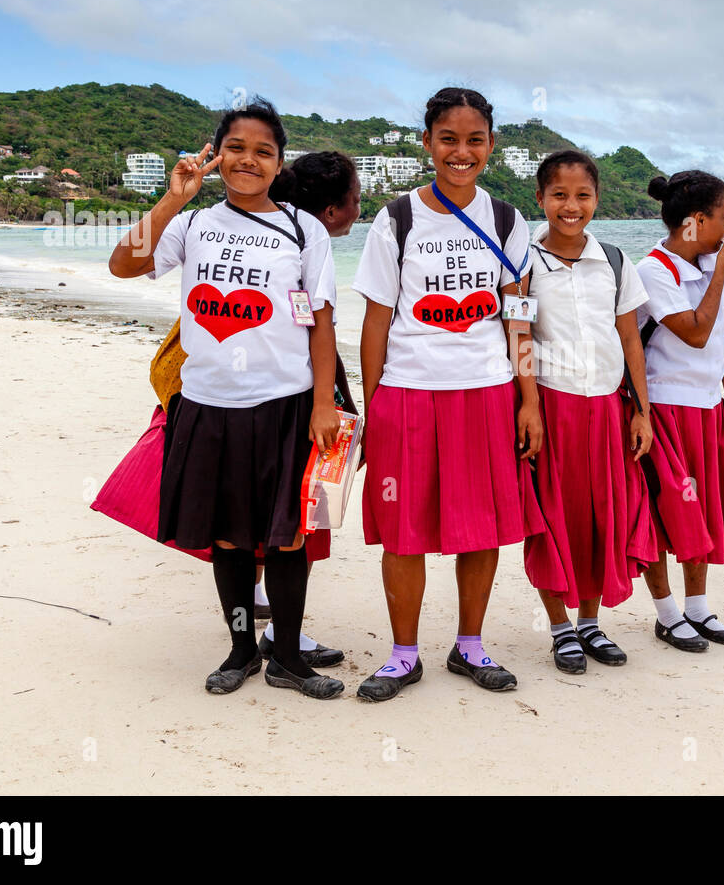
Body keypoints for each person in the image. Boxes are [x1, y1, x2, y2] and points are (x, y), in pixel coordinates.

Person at [107, 98, 345, 699]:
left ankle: (288, 658)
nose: (248, 160)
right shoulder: (191, 224)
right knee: (229, 537)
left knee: (289, 535)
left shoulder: (303, 228)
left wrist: (323, 404)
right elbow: (122, 265)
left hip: (286, 404)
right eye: (236, 148)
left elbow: (321, 320)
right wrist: (173, 198)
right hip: (208, 404)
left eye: (263, 151)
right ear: (216, 156)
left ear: (279, 162)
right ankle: (241, 650)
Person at [352, 87, 541, 701]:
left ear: (492, 145)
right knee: (404, 528)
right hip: (408, 392)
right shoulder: (397, 218)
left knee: (480, 527)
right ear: (428, 142)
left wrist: (529, 397)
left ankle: (470, 646)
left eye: (475, 140)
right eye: (449, 140)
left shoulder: (510, 221)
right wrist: (373, 402)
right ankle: (403, 655)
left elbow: (519, 318)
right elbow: (377, 319)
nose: (462, 152)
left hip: (486, 393)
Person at [522, 150, 656, 674]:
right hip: (553, 406)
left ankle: (591, 622)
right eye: (559, 195)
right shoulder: (524, 263)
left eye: (582, 196)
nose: (570, 206)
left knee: (605, 516)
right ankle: (560, 628)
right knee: (555, 516)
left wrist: (640, 412)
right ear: (541, 199)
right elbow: (520, 337)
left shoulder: (616, 262)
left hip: (607, 409)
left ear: (597, 199)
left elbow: (630, 340)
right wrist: (529, 405)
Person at [635, 171, 724, 652]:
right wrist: (721, 274)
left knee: (703, 512)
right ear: (698, 220)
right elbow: (695, 332)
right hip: (665, 407)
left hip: (706, 407)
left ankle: (698, 608)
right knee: (667, 512)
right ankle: (667, 614)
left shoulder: (710, 266)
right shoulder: (654, 270)